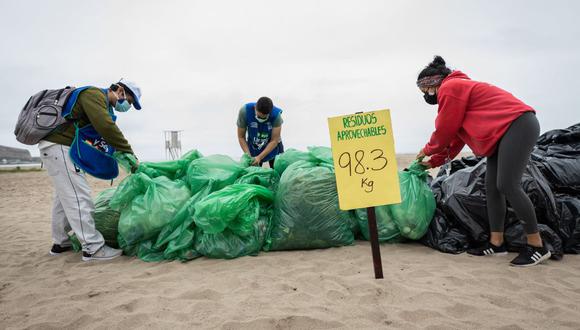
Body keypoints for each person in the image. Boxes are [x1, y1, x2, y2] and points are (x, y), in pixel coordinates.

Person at [415, 56, 550, 267]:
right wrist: (432, 162)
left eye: (425, 91)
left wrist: (427, 149)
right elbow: (455, 139)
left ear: (432, 84)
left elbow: (444, 129)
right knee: (492, 187)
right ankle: (497, 243)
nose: (426, 96)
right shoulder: (458, 91)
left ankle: (536, 245)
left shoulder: (452, 87)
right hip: (502, 134)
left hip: (518, 124)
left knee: (508, 184)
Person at [39, 80, 142, 261]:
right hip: (60, 147)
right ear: (119, 90)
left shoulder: (102, 103)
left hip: (59, 149)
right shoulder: (93, 95)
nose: (127, 106)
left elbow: (101, 136)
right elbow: (106, 127)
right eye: (130, 101)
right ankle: (93, 249)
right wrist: (129, 152)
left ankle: (60, 243)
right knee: (80, 196)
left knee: (63, 199)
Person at [236, 96, 284, 167]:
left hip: (273, 146)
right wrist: (249, 156)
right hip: (254, 145)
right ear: (255, 108)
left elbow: (274, 140)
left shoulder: (276, 115)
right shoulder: (245, 111)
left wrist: (259, 157)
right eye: (258, 116)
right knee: (254, 169)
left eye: (264, 118)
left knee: (278, 169)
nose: (261, 119)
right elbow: (241, 137)